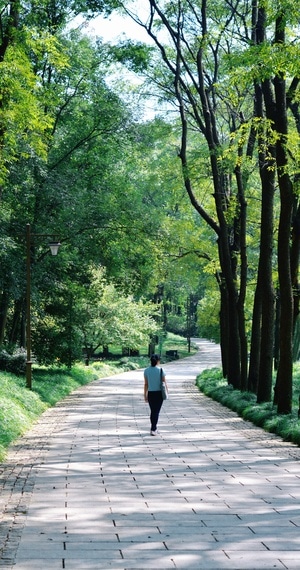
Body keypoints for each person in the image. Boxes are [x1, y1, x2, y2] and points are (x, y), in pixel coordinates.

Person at [144, 354, 168, 436]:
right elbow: (164, 382)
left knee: (153, 411)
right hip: (159, 394)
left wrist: (145, 395)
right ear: (158, 361)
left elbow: (146, 384)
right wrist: (167, 392)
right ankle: (153, 429)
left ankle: (153, 428)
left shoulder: (146, 371)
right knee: (156, 412)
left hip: (151, 393)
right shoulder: (161, 370)